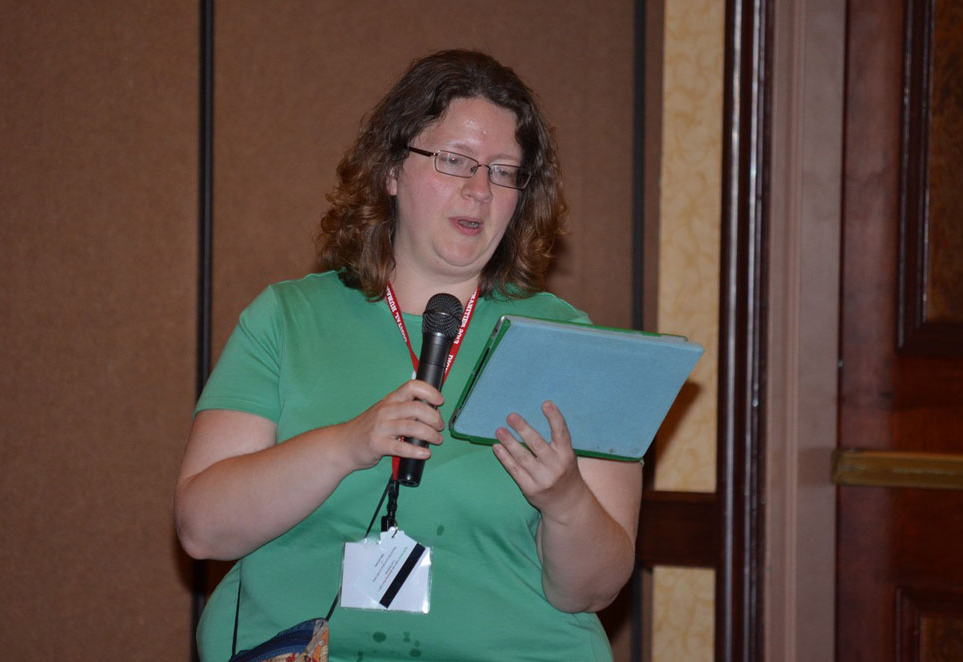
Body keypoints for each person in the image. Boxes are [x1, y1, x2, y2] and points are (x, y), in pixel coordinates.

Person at [175, 49, 642, 662]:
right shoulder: (286, 319)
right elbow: (202, 529)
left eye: (504, 171)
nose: (480, 190)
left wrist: (565, 499)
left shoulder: (570, 344)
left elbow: (593, 590)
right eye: (455, 161)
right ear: (392, 169)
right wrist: (347, 444)